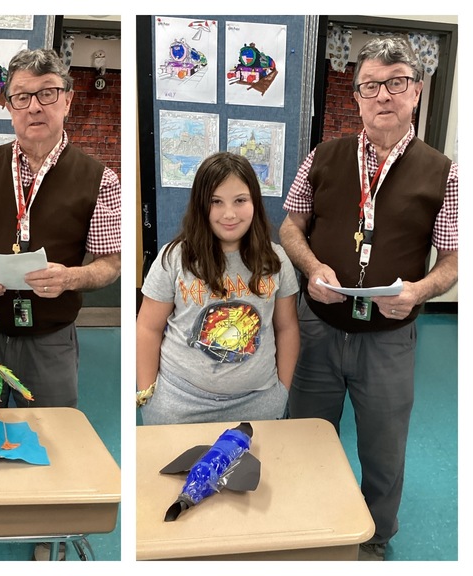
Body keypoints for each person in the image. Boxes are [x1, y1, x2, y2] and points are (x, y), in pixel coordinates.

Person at [279, 36, 458, 561]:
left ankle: (374, 539)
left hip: (389, 339)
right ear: (356, 96)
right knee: (308, 435)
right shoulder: (325, 156)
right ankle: (311, 523)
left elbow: (451, 261)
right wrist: (311, 267)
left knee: (383, 450)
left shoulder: (445, 172)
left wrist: (420, 291)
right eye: (371, 86)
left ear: (416, 93)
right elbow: (291, 227)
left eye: (396, 83)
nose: (384, 95)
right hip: (318, 327)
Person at [0, 48, 121, 560]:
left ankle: (47, 527)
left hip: (50, 339)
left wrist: (73, 278)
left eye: (47, 94)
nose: (34, 106)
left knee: (53, 436)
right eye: (22, 96)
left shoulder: (98, 177)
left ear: (67, 101)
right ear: (9, 104)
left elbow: (111, 263)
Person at [136, 152, 299, 424]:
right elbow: (147, 328)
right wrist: (146, 392)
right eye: (216, 202)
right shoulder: (175, 257)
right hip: (179, 402)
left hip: (258, 402)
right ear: (201, 205)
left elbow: (287, 328)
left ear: (254, 203)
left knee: (254, 467)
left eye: (240, 200)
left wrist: (282, 391)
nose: (229, 214)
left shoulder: (276, 260)